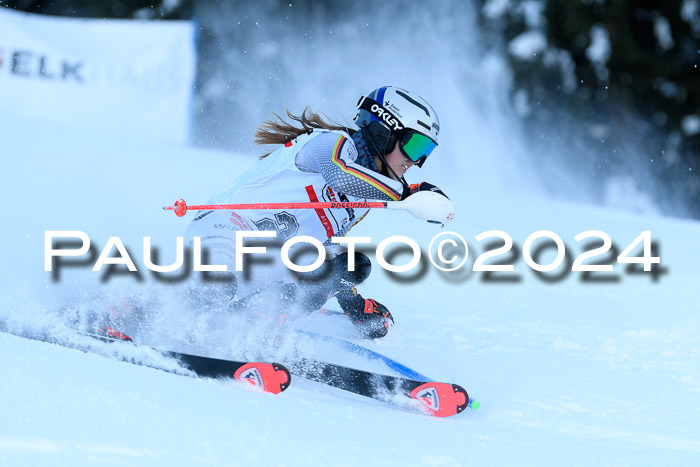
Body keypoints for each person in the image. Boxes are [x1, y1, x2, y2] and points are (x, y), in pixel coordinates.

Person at [183, 86, 448, 339]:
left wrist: (354, 304)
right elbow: (339, 174)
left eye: (424, 153)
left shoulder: (366, 196)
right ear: (384, 131)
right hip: (225, 229)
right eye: (414, 147)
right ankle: (170, 313)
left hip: (264, 264)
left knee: (350, 264)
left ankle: (251, 324)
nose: (415, 162)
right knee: (214, 289)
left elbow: (325, 250)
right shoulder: (331, 142)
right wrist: (406, 193)